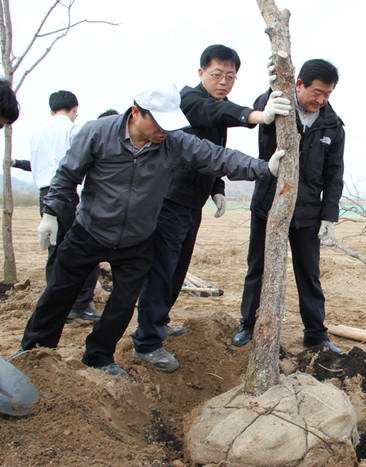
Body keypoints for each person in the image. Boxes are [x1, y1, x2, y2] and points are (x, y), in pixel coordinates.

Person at [15, 77, 285, 376]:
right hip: (89, 231)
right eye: (158, 123)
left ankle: (99, 357)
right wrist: (50, 213)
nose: (163, 131)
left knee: (122, 305)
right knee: (57, 295)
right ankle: (33, 353)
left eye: (169, 125)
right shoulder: (96, 132)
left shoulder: (173, 143)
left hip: (136, 239)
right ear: (135, 112)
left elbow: (216, 156)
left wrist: (264, 168)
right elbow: (67, 174)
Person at [131, 45, 291, 372]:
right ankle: (147, 342)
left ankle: (157, 324)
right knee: (162, 270)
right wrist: (258, 115)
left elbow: (212, 154)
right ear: (201, 73)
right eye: (217, 75)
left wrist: (217, 187)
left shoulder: (214, 106)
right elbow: (214, 113)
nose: (224, 82)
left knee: (176, 271)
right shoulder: (188, 100)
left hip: (191, 203)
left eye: (230, 77)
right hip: (169, 201)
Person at [231, 59, 345, 354]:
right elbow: (260, 107)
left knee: (309, 273)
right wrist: (271, 90)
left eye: (328, 94)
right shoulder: (277, 106)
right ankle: (248, 325)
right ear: (299, 85)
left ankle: (316, 334)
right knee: (258, 267)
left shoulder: (332, 124)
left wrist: (329, 215)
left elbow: (334, 175)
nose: (321, 100)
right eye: (316, 92)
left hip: (308, 213)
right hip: (269, 205)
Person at [28, 91, 101, 323]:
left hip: (45, 194)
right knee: (86, 246)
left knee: (55, 249)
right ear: (75, 108)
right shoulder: (74, 129)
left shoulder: (37, 134)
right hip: (69, 192)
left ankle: (56, 305)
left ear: (52, 110)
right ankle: (80, 305)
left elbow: (35, 164)